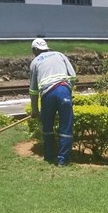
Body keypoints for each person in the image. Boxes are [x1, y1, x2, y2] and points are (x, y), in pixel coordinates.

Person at [29, 38, 77, 166]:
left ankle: (49, 156)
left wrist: (34, 110)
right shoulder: (60, 55)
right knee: (66, 126)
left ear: (35, 50)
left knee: (47, 126)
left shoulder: (35, 62)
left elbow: (33, 90)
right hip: (63, 90)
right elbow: (72, 76)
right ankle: (63, 160)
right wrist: (67, 91)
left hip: (47, 95)